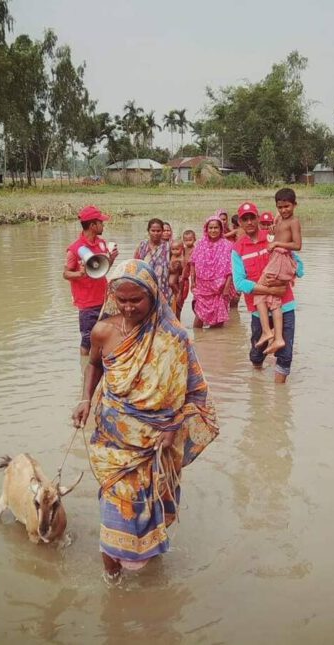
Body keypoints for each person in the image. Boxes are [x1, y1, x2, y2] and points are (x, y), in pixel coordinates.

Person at [71, 260, 219, 579]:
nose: (127, 307)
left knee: (151, 511)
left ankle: (148, 575)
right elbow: (94, 366)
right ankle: (112, 579)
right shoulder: (103, 331)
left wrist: (172, 427)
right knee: (115, 514)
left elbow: (195, 393)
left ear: (153, 295)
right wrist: (85, 398)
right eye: (121, 300)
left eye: (135, 300)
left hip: (156, 443)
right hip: (113, 441)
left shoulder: (175, 337)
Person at [231, 200, 304, 383]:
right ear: (239, 222)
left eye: (252, 218)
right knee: (257, 352)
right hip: (259, 308)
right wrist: (272, 289)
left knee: (285, 353)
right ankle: (257, 378)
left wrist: (288, 277)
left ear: (258, 218)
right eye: (244, 219)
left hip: (285, 303)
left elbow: (297, 263)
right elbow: (239, 283)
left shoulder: (273, 237)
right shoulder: (237, 249)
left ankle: (280, 400)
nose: (249, 222)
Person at [63, 205, 119, 355]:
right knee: (87, 340)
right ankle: (85, 369)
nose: (103, 225)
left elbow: (102, 270)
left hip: (104, 298)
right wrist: (80, 274)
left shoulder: (101, 243)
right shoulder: (74, 249)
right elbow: (66, 274)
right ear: (93, 225)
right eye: (100, 222)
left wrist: (111, 259)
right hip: (87, 304)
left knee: (107, 335)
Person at [253, 188, 302, 354]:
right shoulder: (280, 218)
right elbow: (275, 225)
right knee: (271, 297)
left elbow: (297, 245)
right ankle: (277, 337)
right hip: (276, 259)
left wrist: (277, 244)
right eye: (280, 207)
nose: (284, 210)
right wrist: (273, 234)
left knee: (259, 293)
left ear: (295, 205)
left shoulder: (293, 221)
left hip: (281, 259)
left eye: (287, 206)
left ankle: (269, 332)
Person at [190, 214, 234, 329]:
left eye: (216, 228)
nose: (213, 230)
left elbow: (230, 269)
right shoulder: (200, 244)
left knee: (218, 320)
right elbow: (193, 263)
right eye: (211, 228)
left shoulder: (228, 245)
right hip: (202, 287)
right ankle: (198, 341)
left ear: (221, 229)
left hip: (220, 288)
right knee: (199, 316)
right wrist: (192, 281)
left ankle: (215, 344)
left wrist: (226, 287)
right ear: (206, 229)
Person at [134, 218, 173, 306]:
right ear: (148, 231)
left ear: (162, 231)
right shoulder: (142, 246)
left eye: (158, 231)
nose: (155, 233)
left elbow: (176, 268)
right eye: (153, 230)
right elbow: (135, 265)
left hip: (164, 289)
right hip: (144, 288)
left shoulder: (168, 247)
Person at [178, 229, 196, 315]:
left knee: (191, 296)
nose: (188, 242)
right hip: (182, 277)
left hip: (191, 277)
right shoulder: (182, 250)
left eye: (190, 240)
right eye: (186, 240)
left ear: (194, 239)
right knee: (179, 298)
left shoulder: (195, 250)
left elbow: (192, 267)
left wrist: (193, 281)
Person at [169, 239, 184, 316]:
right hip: (173, 272)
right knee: (171, 282)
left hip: (178, 275)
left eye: (177, 249)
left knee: (171, 282)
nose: (175, 251)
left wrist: (179, 262)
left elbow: (183, 267)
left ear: (181, 249)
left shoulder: (181, 257)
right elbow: (170, 266)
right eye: (173, 249)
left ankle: (178, 292)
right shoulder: (172, 256)